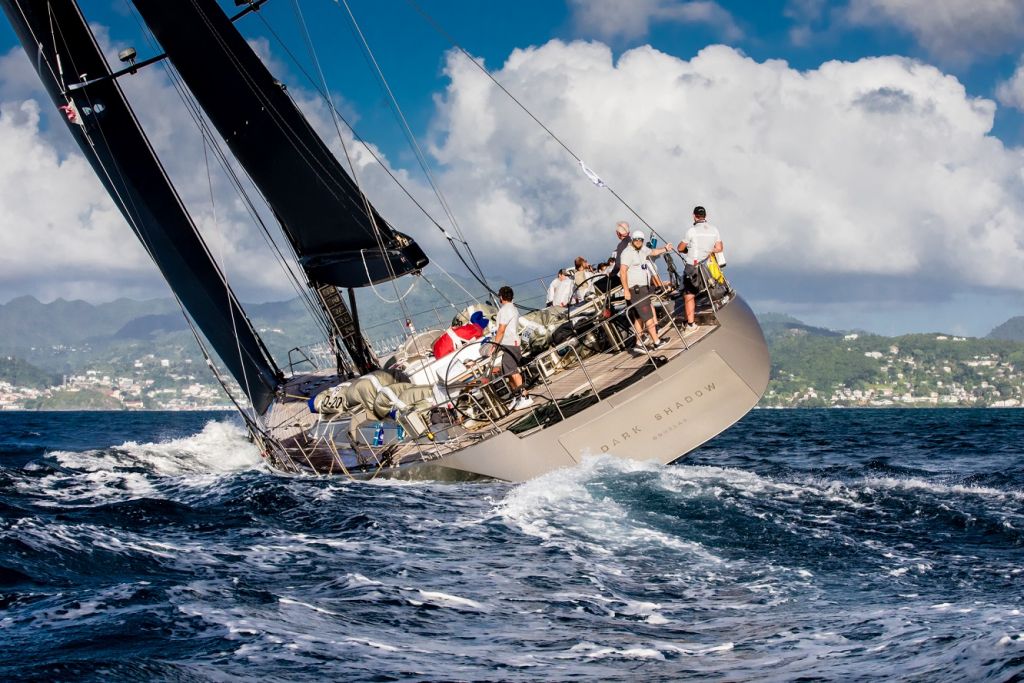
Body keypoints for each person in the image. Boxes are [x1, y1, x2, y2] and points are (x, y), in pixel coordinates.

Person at [619, 229, 675, 352]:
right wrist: (626, 291)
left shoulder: (642, 249)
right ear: (632, 240)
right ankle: (656, 342)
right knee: (648, 316)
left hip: (643, 289)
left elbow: (653, 251)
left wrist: (665, 248)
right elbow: (622, 272)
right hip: (636, 290)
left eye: (641, 239)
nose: (638, 241)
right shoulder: (627, 253)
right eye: (636, 239)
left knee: (638, 317)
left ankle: (639, 343)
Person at [677, 205, 723, 330]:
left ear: (694, 216)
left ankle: (690, 323)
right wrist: (707, 250)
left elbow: (680, 248)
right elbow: (719, 248)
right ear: (705, 216)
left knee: (689, 294)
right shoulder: (714, 230)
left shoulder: (691, 231)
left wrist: (690, 250)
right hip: (706, 266)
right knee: (708, 289)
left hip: (693, 266)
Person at [489, 286, 533, 410]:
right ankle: (517, 396)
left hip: (510, 344)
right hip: (509, 344)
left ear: (501, 297)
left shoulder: (506, 310)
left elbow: (501, 329)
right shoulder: (512, 308)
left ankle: (525, 396)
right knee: (507, 372)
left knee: (513, 372)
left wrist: (494, 345)